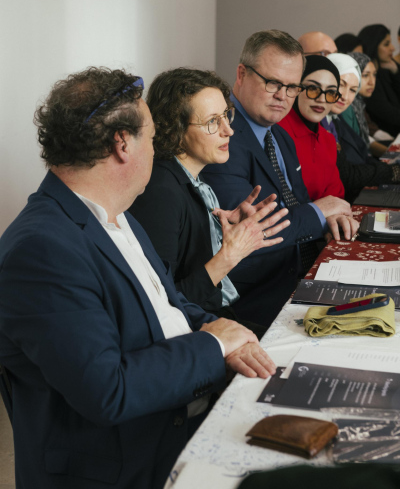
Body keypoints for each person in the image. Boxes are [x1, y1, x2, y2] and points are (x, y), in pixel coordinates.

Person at [0, 67, 276, 489]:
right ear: (122, 144)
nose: (156, 149)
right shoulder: (41, 249)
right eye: (152, 137)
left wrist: (225, 333)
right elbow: (107, 391)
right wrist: (214, 345)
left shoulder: (117, 213)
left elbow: (169, 303)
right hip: (121, 466)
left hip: (176, 420)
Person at [202, 30, 358, 326]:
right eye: (273, 83)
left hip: (297, 277)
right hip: (252, 302)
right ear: (241, 74)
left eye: (292, 87)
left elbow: (296, 207)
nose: (282, 97)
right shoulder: (222, 138)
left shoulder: (279, 136)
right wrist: (320, 211)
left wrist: (328, 222)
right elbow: (253, 232)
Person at [130, 68, 290, 335]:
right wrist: (230, 255)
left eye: (226, 115)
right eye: (213, 122)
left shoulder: (190, 178)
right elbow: (161, 306)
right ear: (175, 128)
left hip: (214, 317)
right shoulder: (160, 192)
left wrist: (222, 230)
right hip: (193, 334)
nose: (229, 130)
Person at [322, 54, 400, 203]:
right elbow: (346, 174)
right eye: (341, 85)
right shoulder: (321, 121)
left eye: (353, 90)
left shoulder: (334, 119)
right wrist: (393, 172)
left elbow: (361, 151)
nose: (345, 97)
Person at [278, 55, 344, 200]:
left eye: (331, 93)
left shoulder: (328, 141)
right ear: (296, 88)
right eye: (313, 88)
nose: (321, 99)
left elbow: (335, 196)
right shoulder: (276, 132)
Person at [341, 51, 389, 157]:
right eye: (365, 75)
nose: (372, 82)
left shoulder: (359, 103)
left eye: (374, 75)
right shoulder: (345, 105)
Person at [358, 24, 400, 137]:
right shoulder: (368, 81)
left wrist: (396, 72)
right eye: (386, 44)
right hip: (386, 139)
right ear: (374, 46)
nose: (393, 48)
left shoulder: (387, 69)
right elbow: (391, 115)